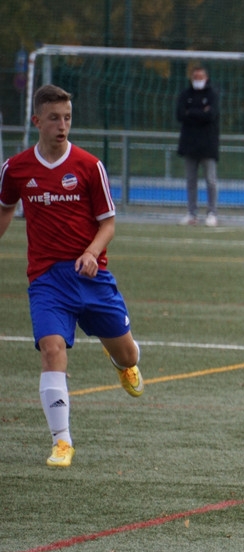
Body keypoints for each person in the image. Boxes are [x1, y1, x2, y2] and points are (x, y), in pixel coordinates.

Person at [0, 84, 144, 468]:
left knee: (128, 352)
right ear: (37, 122)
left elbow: (108, 223)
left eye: (67, 118)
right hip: (46, 279)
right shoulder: (15, 169)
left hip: (91, 276)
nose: (62, 126)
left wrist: (92, 252)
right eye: (54, 119)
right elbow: (5, 207)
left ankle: (121, 362)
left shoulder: (88, 166)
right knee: (51, 350)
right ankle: (61, 442)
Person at [176, 65, 220, 227]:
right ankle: (191, 213)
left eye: (201, 78)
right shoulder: (185, 94)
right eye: (195, 78)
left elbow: (211, 115)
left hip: (208, 145)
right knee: (190, 181)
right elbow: (180, 114)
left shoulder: (212, 95)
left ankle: (212, 213)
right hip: (189, 145)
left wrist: (191, 113)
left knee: (211, 181)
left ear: (206, 78)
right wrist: (200, 112)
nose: (198, 81)